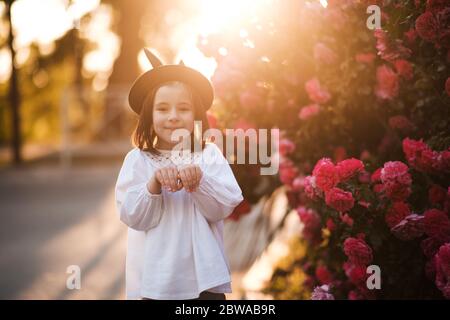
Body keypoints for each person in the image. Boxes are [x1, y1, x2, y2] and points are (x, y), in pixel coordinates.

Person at [115, 48, 244, 300]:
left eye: (183, 109)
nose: (173, 117)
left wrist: (200, 182)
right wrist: (152, 185)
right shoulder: (138, 160)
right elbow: (132, 216)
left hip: (204, 282)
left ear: (196, 114)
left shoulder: (208, 155)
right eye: (162, 109)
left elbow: (224, 206)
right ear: (149, 116)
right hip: (156, 284)